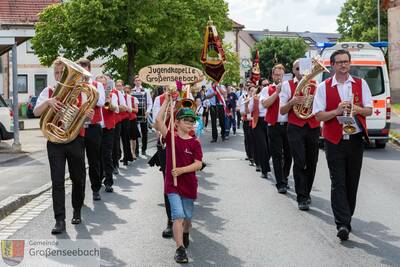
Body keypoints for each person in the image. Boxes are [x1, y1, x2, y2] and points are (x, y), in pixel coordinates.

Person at [313, 49, 372, 241]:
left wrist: (357, 110)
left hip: (355, 139)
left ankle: (347, 216)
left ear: (350, 63)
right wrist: (336, 111)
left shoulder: (361, 84)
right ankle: (342, 223)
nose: (343, 65)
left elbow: (369, 110)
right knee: (337, 181)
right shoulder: (323, 87)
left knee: (351, 181)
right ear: (332, 65)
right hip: (334, 140)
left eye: (346, 61)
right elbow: (319, 115)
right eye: (339, 62)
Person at [33, 59, 94, 234]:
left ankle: (77, 210)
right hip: (54, 141)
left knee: (78, 178)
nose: (60, 76)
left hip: (75, 140)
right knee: (57, 182)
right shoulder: (49, 91)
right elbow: (36, 112)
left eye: (63, 73)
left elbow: (86, 120)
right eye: (58, 73)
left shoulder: (81, 93)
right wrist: (48, 102)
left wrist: (87, 115)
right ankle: (59, 220)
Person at [154, 94, 203, 264]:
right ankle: (179, 249)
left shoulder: (195, 142)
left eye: (191, 121)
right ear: (177, 123)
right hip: (172, 185)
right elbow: (158, 121)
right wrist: (167, 101)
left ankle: (186, 232)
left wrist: (182, 170)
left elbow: (198, 164)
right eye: (186, 120)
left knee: (187, 218)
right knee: (178, 215)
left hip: (188, 185)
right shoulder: (171, 138)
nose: (189, 123)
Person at [280, 59, 321, 210]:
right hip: (295, 127)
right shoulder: (287, 86)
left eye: (304, 69)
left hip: (313, 126)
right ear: (293, 70)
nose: (301, 72)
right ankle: (301, 197)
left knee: (312, 162)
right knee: (299, 161)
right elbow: (282, 110)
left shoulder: (317, 86)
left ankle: (307, 192)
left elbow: (321, 107)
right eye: (297, 69)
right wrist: (293, 102)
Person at [76, 58, 105, 201]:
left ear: (89, 69)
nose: (81, 69)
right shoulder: (74, 84)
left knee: (94, 161)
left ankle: (96, 189)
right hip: (78, 127)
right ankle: (80, 192)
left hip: (93, 127)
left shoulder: (97, 84)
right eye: (79, 67)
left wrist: (88, 92)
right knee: (78, 162)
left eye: (84, 67)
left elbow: (100, 102)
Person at [261, 64, 292, 194]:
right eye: (276, 74)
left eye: (280, 74)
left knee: (289, 155)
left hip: (288, 126)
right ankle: (280, 183)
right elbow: (265, 104)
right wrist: (276, 92)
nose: (278, 77)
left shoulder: (290, 88)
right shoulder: (267, 89)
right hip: (273, 126)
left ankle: (284, 178)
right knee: (277, 155)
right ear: (272, 75)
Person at [96, 74, 119, 197]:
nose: (102, 86)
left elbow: (116, 110)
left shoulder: (112, 94)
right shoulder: (93, 94)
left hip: (108, 128)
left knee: (107, 155)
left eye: (104, 84)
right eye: (100, 84)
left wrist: (109, 103)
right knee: (97, 156)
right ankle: (98, 179)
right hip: (97, 128)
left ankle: (109, 182)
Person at [246, 83, 271, 178]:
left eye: (267, 84)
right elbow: (249, 110)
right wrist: (248, 102)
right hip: (258, 122)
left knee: (269, 147)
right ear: (260, 86)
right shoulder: (255, 97)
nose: (266, 86)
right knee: (262, 145)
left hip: (269, 121)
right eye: (264, 84)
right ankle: (264, 170)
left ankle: (263, 162)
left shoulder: (272, 95)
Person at [132, 75, 153, 156]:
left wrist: (148, 112)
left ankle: (144, 149)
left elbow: (150, 103)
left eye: (139, 80)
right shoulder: (131, 91)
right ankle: (136, 150)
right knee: (135, 132)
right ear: (134, 82)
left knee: (144, 132)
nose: (137, 81)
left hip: (144, 114)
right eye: (136, 80)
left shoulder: (146, 91)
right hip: (135, 113)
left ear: (141, 81)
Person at [112, 80, 127, 176]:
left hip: (115, 121)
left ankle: (115, 165)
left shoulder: (117, 93)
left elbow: (124, 107)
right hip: (102, 123)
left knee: (115, 143)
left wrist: (114, 106)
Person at [239, 86, 255, 165]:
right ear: (248, 92)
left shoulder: (257, 99)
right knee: (248, 139)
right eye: (251, 91)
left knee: (254, 140)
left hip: (255, 122)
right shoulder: (244, 99)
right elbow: (241, 112)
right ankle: (250, 156)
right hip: (247, 121)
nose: (253, 92)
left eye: (254, 90)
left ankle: (254, 156)